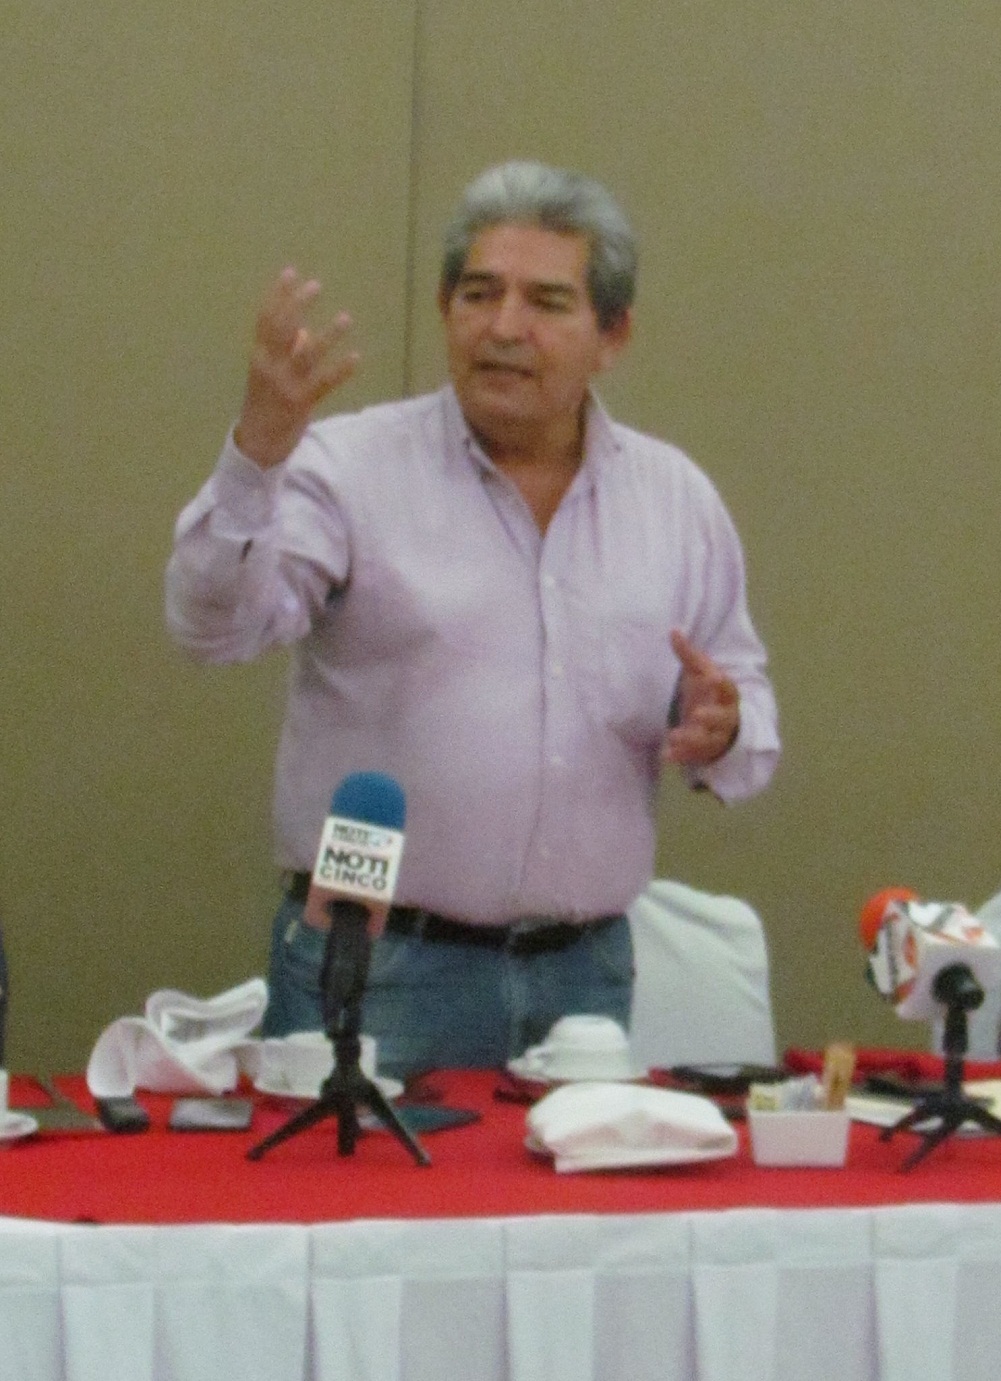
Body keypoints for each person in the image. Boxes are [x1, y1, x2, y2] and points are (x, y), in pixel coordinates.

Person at [165, 160, 780, 1076]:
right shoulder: (352, 467)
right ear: (445, 308)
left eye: (546, 302)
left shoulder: (675, 500)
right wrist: (256, 456)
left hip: (584, 976)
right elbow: (211, 627)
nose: (503, 327)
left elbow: (747, 713)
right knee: (350, 1179)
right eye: (479, 294)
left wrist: (723, 727)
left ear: (613, 334)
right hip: (375, 964)